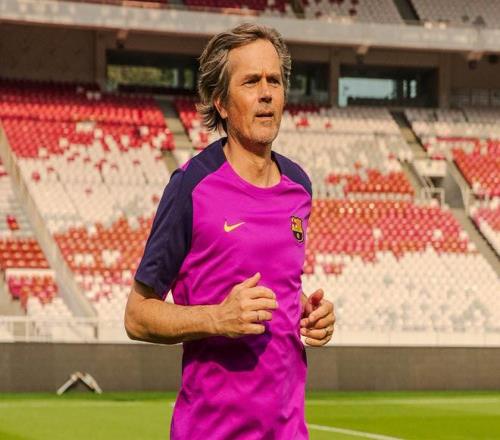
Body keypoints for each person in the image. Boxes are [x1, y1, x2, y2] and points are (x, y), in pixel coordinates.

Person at [124, 23, 335, 439]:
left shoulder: (299, 185)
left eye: (274, 80)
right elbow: (137, 316)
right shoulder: (191, 186)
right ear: (220, 102)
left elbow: (279, 286)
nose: (266, 93)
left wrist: (309, 314)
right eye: (251, 82)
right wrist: (217, 318)